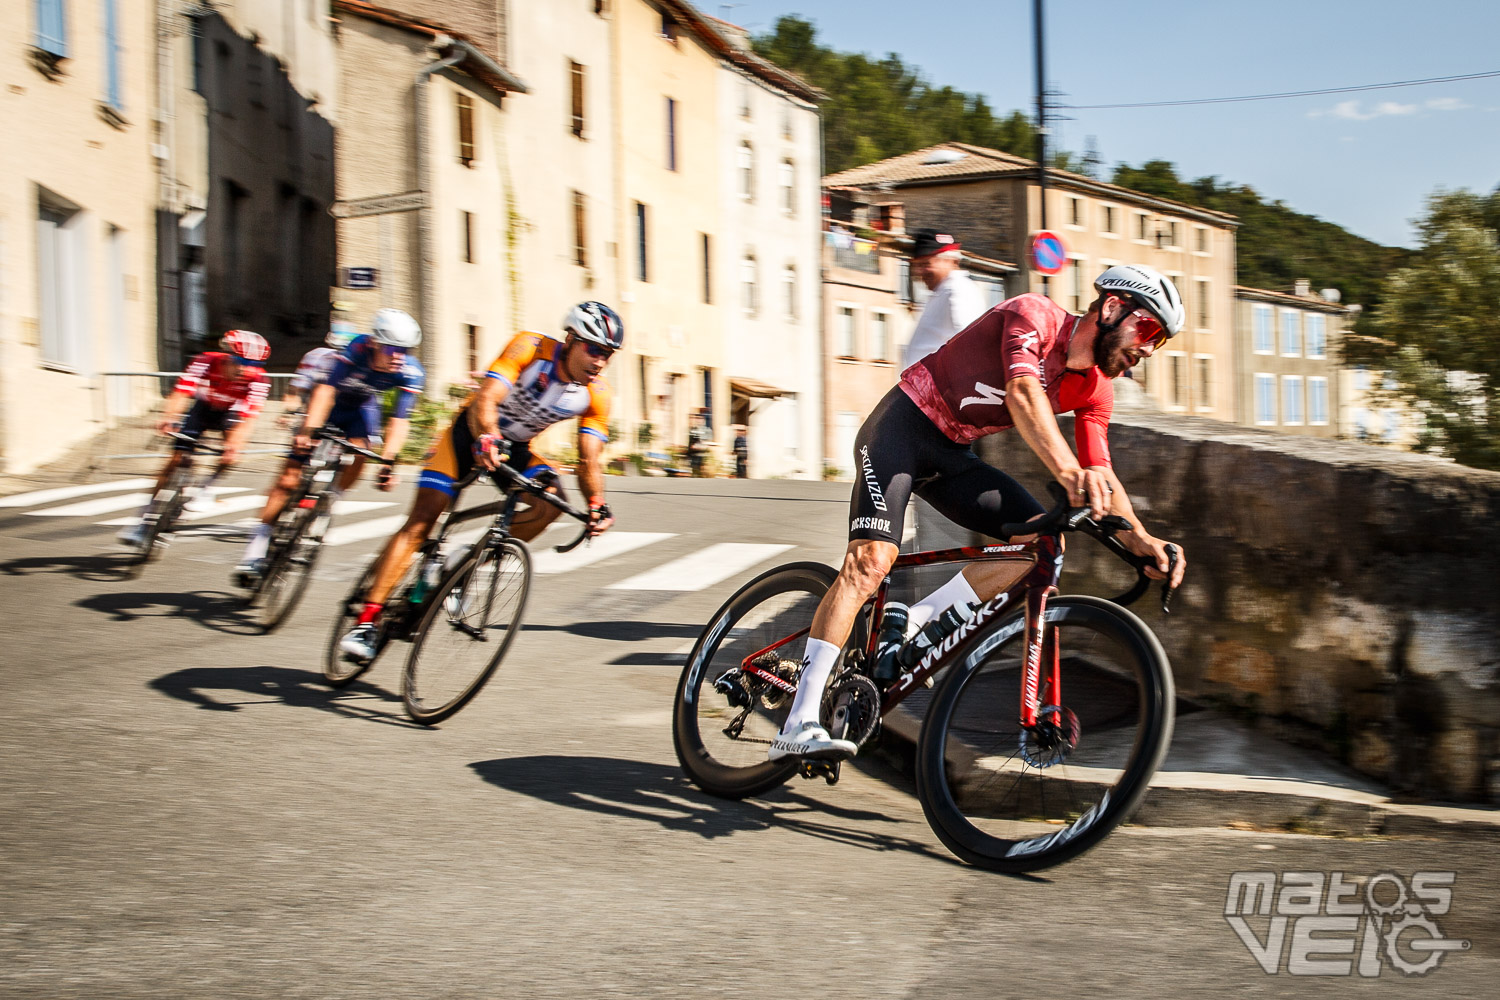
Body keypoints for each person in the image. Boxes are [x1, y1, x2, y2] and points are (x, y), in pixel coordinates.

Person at [768, 264, 1191, 761]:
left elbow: (1104, 474)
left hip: (952, 454)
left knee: (1040, 546)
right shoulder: (1034, 315)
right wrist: (1068, 473)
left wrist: (1142, 540)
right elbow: (1023, 393)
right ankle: (798, 722)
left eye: (1159, 341)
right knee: (870, 563)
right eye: (1148, 330)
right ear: (1113, 308)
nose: (1148, 349)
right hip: (900, 429)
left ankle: (918, 621)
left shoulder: (1096, 389)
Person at [337, 301, 624, 663]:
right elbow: (487, 397)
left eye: (607, 354)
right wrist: (487, 435)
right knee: (423, 520)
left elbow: (589, 458)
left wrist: (597, 503)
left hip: (516, 448)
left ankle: (464, 564)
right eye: (593, 349)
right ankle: (366, 622)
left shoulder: (597, 394)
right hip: (469, 433)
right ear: (570, 340)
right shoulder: (531, 347)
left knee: (550, 505)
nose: (600, 362)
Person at [232, 309, 425, 586]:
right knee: (288, 479)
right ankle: (256, 549)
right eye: (392, 348)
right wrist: (308, 430)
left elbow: (400, 420)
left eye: (406, 350)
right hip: (331, 402)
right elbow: (325, 391)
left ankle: (330, 499)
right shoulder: (357, 349)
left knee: (362, 450)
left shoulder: (410, 371)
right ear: (374, 343)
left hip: (360, 408)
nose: (399, 356)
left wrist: (389, 460)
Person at [116, 330, 271, 548]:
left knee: (232, 454)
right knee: (175, 460)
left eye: (254, 364)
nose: (246, 370)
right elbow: (181, 392)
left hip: (231, 412)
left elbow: (248, 418)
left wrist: (234, 446)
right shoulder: (205, 361)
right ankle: (142, 520)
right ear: (227, 357)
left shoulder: (258, 380)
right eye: (241, 362)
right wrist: (169, 417)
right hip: (203, 407)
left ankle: (204, 489)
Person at [902, 229, 988, 369]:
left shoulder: (959, 289)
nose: (919, 272)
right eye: (917, 265)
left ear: (950, 261)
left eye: (926, 264)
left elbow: (970, 344)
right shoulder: (942, 292)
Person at [279, 326, 356, 427]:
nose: (340, 356)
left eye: (346, 351)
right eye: (338, 350)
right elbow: (296, 388)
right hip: (315, 408)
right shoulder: (315, 356)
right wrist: (289, 412)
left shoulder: (360, 362)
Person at [687, 410, 711, 477]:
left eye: (700, 419)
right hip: (693, 454)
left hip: (701, 454)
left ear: (703, 420)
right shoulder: (693, 429)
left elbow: (706, 442)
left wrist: (700, 446)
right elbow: (690, 443)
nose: (698, 420)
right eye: (697, 419)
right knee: (694, 470)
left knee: (700, 471)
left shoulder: (706, 430)